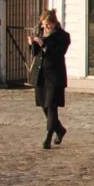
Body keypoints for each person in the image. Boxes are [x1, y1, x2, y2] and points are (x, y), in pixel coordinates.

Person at [26, 10, 69, 149]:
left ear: (53, 22)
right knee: (44, 105)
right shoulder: (42, 33)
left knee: (52, 106)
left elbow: (58, 53)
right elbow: (36, 54)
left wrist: (44, 45)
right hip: (40, 75)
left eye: (47, 24)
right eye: (44, 25)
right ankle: (60, 129)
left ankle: (48, 137)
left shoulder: (63, 36)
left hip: (54, 76)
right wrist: (32, 45)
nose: (46, 27)